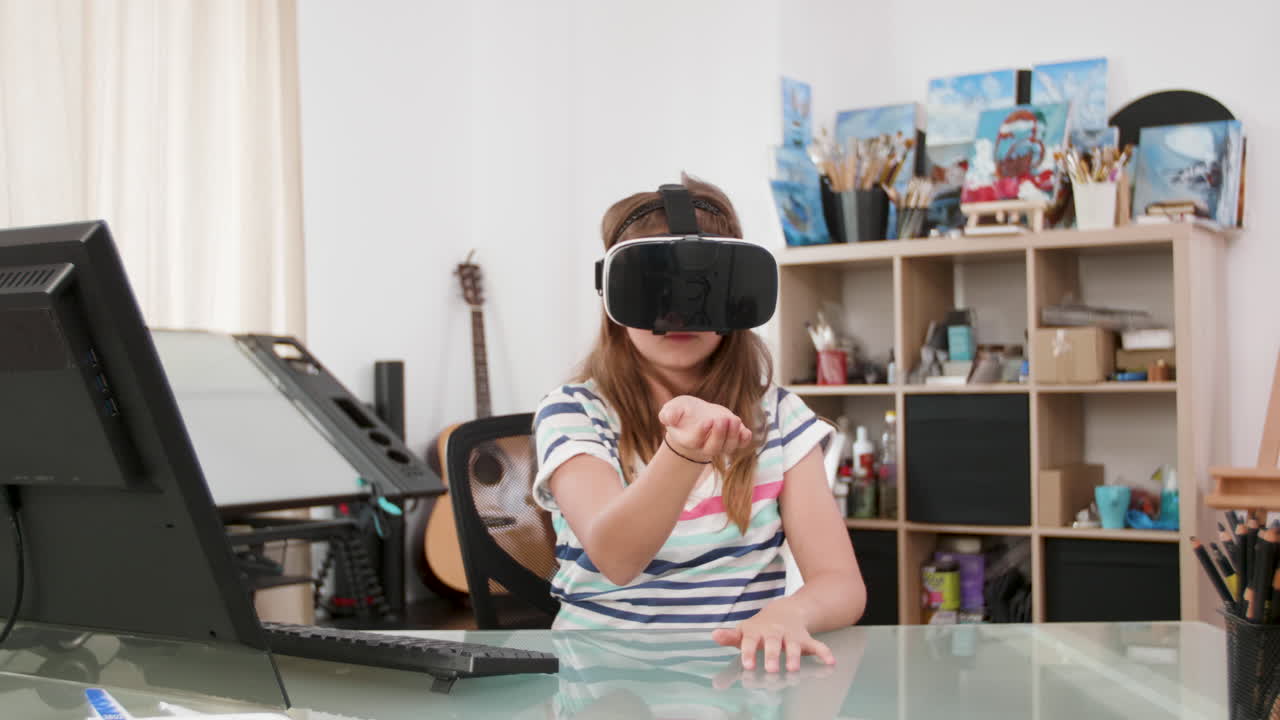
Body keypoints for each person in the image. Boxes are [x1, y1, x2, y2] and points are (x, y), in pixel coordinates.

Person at [532, 175, 866, 674]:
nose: (679, 311)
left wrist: (791, 611)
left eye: (704, 288)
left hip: (738, 683)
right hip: (605, 685)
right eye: (656, 287)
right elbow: (617, 559)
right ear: (614, 294)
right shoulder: (574, 412)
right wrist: (684, 454)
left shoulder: (781, 418)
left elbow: (841, 583)